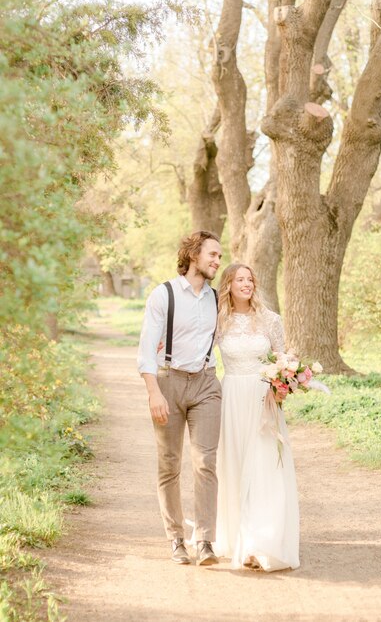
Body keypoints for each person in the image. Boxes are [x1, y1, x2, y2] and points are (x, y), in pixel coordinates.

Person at [137, 230, 223, 566]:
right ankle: (175, 539)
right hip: (168, 382)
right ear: (193, 256)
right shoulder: (164, 295)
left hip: (205, 384)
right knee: (169, 464)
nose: (218, 261)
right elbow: (146, 349)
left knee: (206, 462)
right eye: (212, 255)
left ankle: (205, 540)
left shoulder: (218, 298)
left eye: (219, 256)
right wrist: (153, 392)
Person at [214, 263, 300, 572]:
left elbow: (284, 359)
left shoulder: (270, 320)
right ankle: (241, 537)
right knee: (236, 465)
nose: (246, 283)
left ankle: (263, 542)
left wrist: (281, 385)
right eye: (239, 279)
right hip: (232, 397)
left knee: (265, 468)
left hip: (263, 399)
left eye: (250, 278)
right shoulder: (218, 321)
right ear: (229, 285)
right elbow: (202, 354)